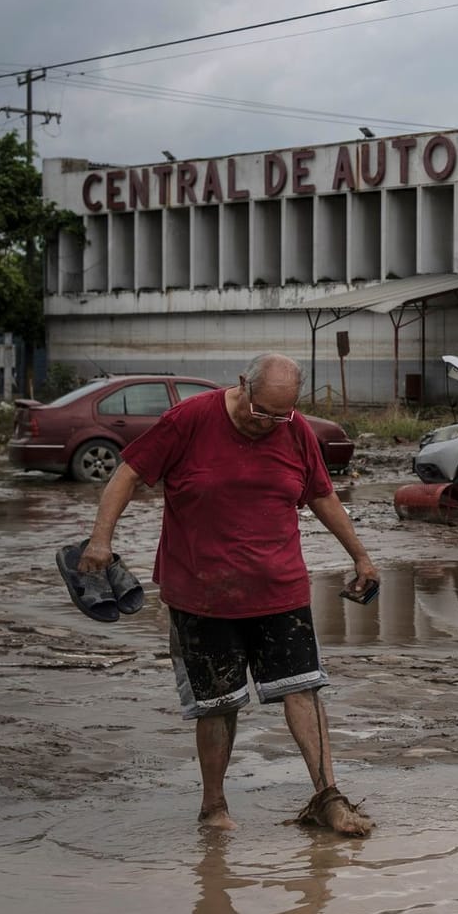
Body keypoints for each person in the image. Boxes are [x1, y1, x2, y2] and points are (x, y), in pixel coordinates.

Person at [77, 352, 380, 834]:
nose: (270, 424)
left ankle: (328, 797)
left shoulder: (293, 429)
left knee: (304, 689)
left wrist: (360, 555)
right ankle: (213, 807)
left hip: (279, 587)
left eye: (282, 415)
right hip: (202, 593)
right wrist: (100, 540)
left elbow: (322, 495)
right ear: (242, 385)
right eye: (263, 413)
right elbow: (128, 472)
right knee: (219, 703)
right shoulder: (189, 420)